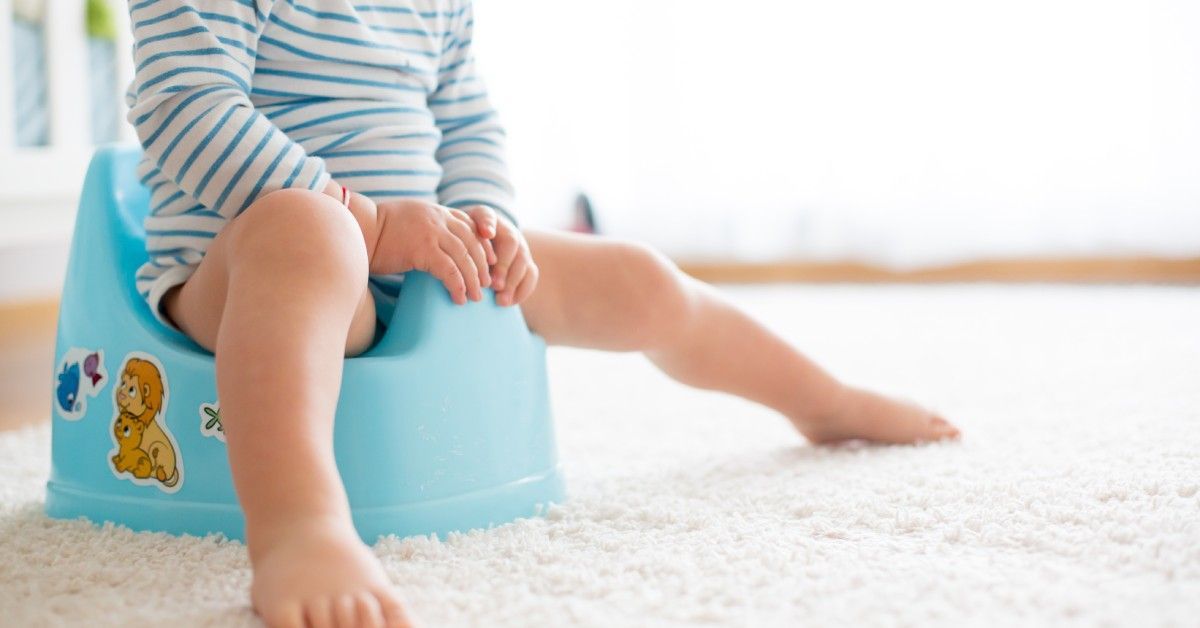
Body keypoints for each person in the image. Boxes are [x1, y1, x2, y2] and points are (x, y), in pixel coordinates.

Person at [126, 2, 960, 626]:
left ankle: (822, 401)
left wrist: (486, 216)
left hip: (422, 250)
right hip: (246, 270)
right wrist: (366, 221)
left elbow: (467, 120)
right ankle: (298, 527)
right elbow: (182, 103)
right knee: (310, 230)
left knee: (636, 279)